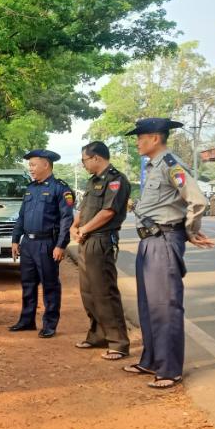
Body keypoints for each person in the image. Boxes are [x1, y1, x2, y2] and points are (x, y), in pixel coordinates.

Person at [122, 118, 213, 389]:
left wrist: (190, 230)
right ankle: (151, 360)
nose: (137, 143)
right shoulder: (153, 167)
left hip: (163, 240)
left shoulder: (171, 165)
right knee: (148, 305)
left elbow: (197, 200)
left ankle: (170, 369)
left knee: (165, 306)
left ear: (155, 138)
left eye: (140, 138)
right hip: (149, 241)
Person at [70, 141, 132, 360]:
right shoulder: (92, 181)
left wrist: (84, 229)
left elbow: (108, 212)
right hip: (86, 240)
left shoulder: (116, 180)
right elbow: (84, 209)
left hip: (101, 240)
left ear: (96, 157)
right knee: (88, 292)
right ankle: (98, 335)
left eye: (85, 160)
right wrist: (74, 226)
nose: (83, 164)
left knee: (105, 292)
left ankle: (118, 342)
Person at [9, 149, 74, 338]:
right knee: (28, 284)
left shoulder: (60, 189)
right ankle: (27, 320)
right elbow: (21, 216)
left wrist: (60, 245)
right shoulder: (30, 188)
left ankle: (49, 324)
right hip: (28, 244)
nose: (30, 168)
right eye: (29, 165)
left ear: (46, 165)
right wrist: (15, 239)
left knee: (50, 285)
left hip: (47, 244)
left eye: (33, 165)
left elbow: (66, 219)